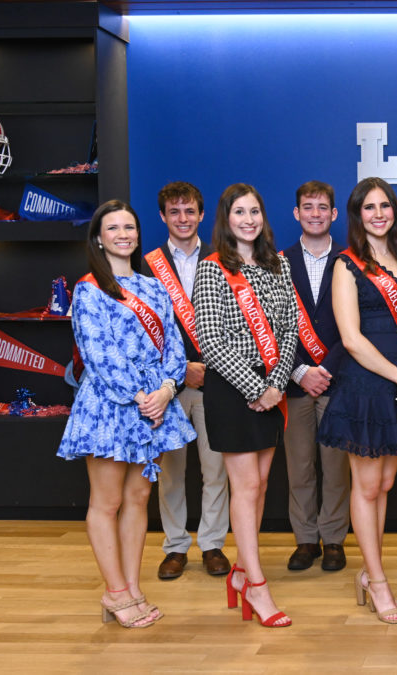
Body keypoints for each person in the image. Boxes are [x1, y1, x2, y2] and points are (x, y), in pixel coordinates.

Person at [58, 200, 196, 628]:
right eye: (113, 228)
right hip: (111, 407)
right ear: (99, 237)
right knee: (108, 500)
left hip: (154, 403)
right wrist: (142, 396)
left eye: (129, 227)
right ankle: (114, 591)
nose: (123, 234)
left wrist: (168, 388)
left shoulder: (153, 287)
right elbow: (98, 354)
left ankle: (133, 587)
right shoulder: (88, 289)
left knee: (139, 499)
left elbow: (174, 344)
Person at [317, 177, 397, 625]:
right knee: (366, 487)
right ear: (357, 214)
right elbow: (350, 339)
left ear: (395, 212)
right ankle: (378, 580)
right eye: (369, 207)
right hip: (368, 386)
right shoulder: (347, 265)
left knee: (383, 485)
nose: (378, 213)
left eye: (384, 206)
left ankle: (370, 572)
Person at [193, 183, 298, 628]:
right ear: (226, 218)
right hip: (234, 391)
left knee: (260, 482)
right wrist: (256, 388)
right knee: (246, 488)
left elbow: (290, 329)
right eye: (240, 212)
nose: (249, 219)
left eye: (255, 211)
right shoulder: (212, 269)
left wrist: (274, 385)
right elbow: (211, 341)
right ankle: (256, 584)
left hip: (272, 386)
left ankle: (240, 571)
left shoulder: (280, 265)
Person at [142, 181, 231, 581]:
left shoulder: (224, 258)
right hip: (169, 388)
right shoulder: (146, 264)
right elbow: (142, 334)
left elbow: (235, 323)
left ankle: (212, 545)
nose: (183, 219)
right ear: (163, 216)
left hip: (216, 383)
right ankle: (175, 546)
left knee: (216, 470)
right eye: (174, 212)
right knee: (172, 473)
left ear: (200, 214)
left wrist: (208, 365)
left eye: (189, 211)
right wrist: (181, 372)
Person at [282, 181, 351, 573]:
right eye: (307, 207)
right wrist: (301, 370)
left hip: (338, 379)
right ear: (296, 213)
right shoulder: (277, 262)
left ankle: (335, 539)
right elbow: (271, 327)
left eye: (322, 207)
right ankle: (306, 539)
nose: (315, 214)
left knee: (336, 466)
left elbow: (354, 325)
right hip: (294, 381)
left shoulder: (349, 260)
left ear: (334, 214)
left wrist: (328, 368)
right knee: (300, 465)